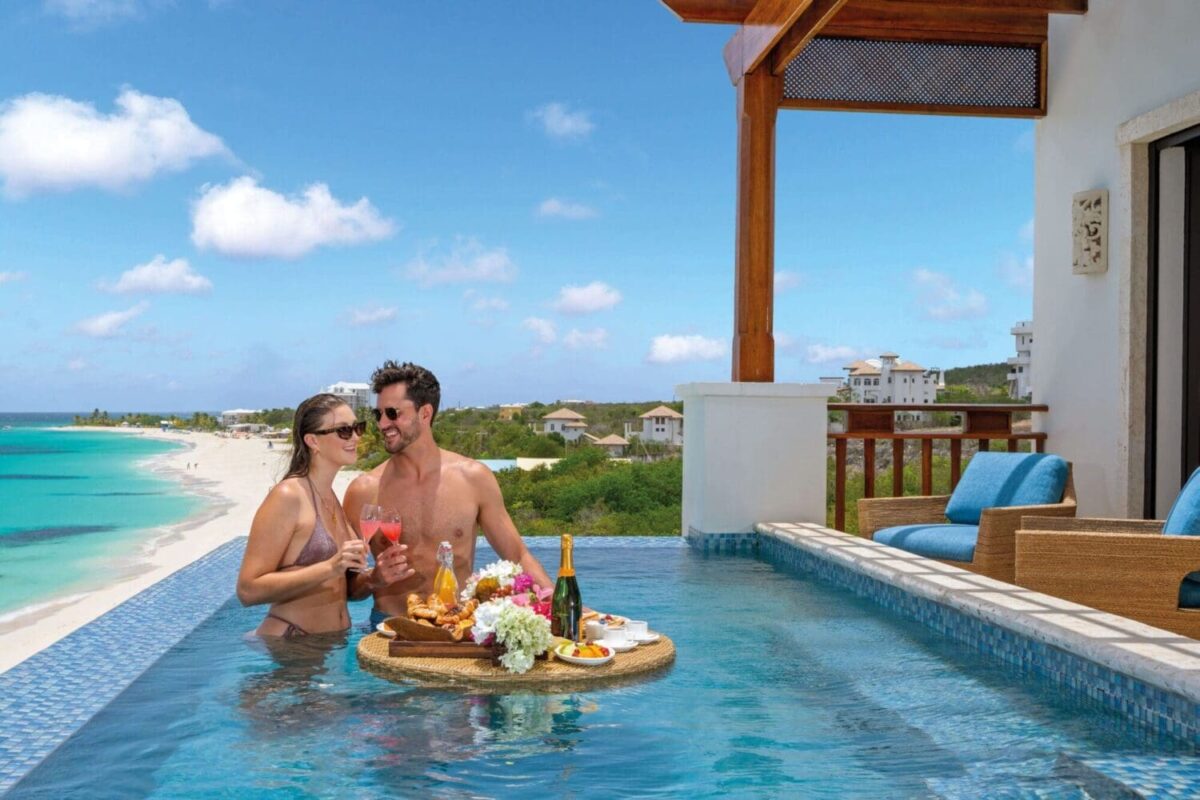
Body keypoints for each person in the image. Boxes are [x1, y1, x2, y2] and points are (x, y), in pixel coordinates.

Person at [345, 361, 555, 628]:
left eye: (392, 413)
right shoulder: (364, 490)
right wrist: (374, 578)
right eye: (378, 414)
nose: (382, 423)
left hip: (457, 628)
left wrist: (562, 607)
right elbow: (345, 588)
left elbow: (518, 555)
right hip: (388, 631)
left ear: (425, 413)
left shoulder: (473, 479)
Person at [237, 393, 394, 637]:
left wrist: (376, 578)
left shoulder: (330, 497)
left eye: (357, 428)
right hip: (292, 646)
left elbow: (343, 589)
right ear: (313, 441)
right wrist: (331, 566)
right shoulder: (289, 496)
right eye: (343, 430)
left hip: (326, 648)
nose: (355, 437)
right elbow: (247, 591)